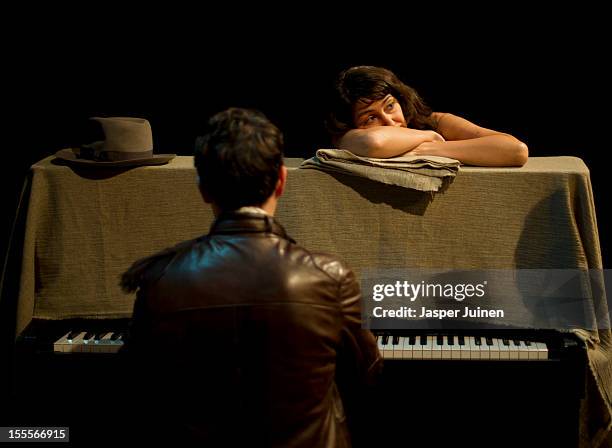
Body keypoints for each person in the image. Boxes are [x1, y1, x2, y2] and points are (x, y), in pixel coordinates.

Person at [119, 107, 381, 447]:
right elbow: (366, 374)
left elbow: (136, 383)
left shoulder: (159, 276)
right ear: (282, 180)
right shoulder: (330, 276)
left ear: (204, 190)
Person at [326, 65, 529, 166]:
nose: (389, 122)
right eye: (371, 118)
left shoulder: (435, 121)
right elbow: (374, 142)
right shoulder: (345, 137)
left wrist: (427, 149)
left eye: (390, 107)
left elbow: (516, 150)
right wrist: (428, 137)